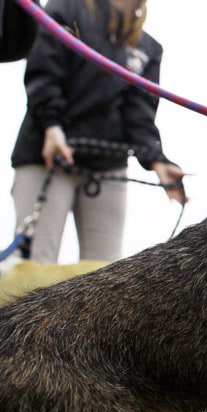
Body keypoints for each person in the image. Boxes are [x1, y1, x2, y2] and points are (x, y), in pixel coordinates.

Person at [10, 0, 185, 263]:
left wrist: (156, 159)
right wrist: (52, 126)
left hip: (106, 169)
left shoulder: (146, 48)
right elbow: (44, 75)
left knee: (104, 270)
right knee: (35, 265)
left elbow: (139, 113)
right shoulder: (66, 10)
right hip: (48, 156)